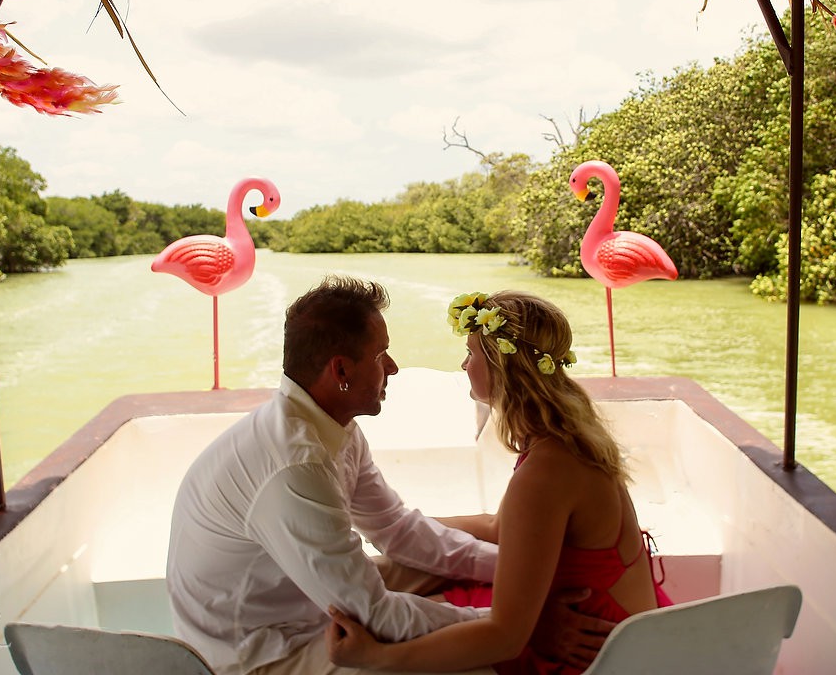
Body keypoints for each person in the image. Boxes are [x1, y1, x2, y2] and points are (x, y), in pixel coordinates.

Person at [167, 276, 610, 675]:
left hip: (305, 597)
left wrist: (520, 576)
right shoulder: (296, 464)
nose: (394, 367)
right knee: (469, 665)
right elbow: (374, 614)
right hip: (264, 648)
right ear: (341, 370)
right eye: (380, 355)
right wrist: (519, 626)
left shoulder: (334, 425)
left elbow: (397, 529)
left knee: (428, 566)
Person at [326, 290, 671, 674]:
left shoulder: (547, 470)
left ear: (502, 366)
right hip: (620, 629)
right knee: (400, 575)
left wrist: (376, 658)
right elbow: (500, 529)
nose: (463, 364)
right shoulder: (563, 438)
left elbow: (505, 636)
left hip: (596, 657)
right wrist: (401, 528)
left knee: (385, 635)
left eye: (472, 352)